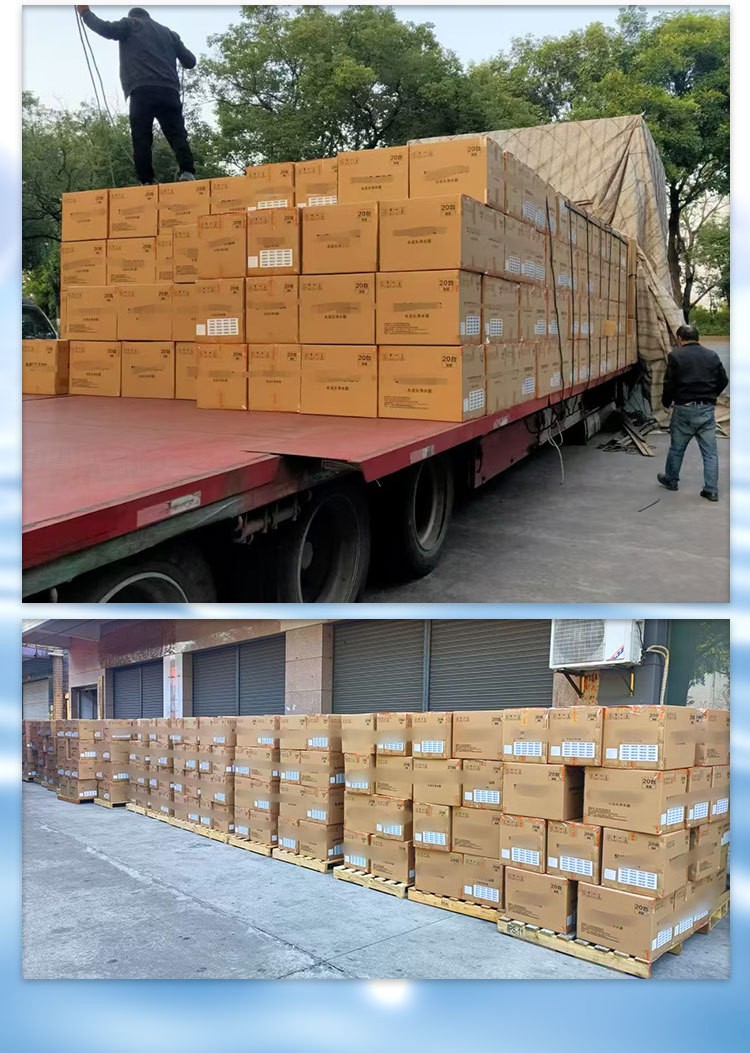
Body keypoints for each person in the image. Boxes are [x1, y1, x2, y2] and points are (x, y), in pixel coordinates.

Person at [76, 6, 197, 185]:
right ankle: (187, 172)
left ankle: (147, 180)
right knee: (177, 134)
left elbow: (106, 29)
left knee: (141, 137)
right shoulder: (169, 34)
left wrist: (85, 13)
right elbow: (190, 61)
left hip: (142, 89)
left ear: (133, 16)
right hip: (169, 90)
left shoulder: (131, 24)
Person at [657, 324, 728, 502]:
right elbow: (723, 380)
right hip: (706, 410)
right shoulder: (712, 355)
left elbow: (669, 383)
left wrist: (666, 402)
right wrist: (711, 395)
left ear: (680, 339)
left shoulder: (675, 356)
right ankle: (711, 490)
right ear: (698, 338)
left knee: (677, 448)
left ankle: (671, 480)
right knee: (710, 453)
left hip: (684, 409)